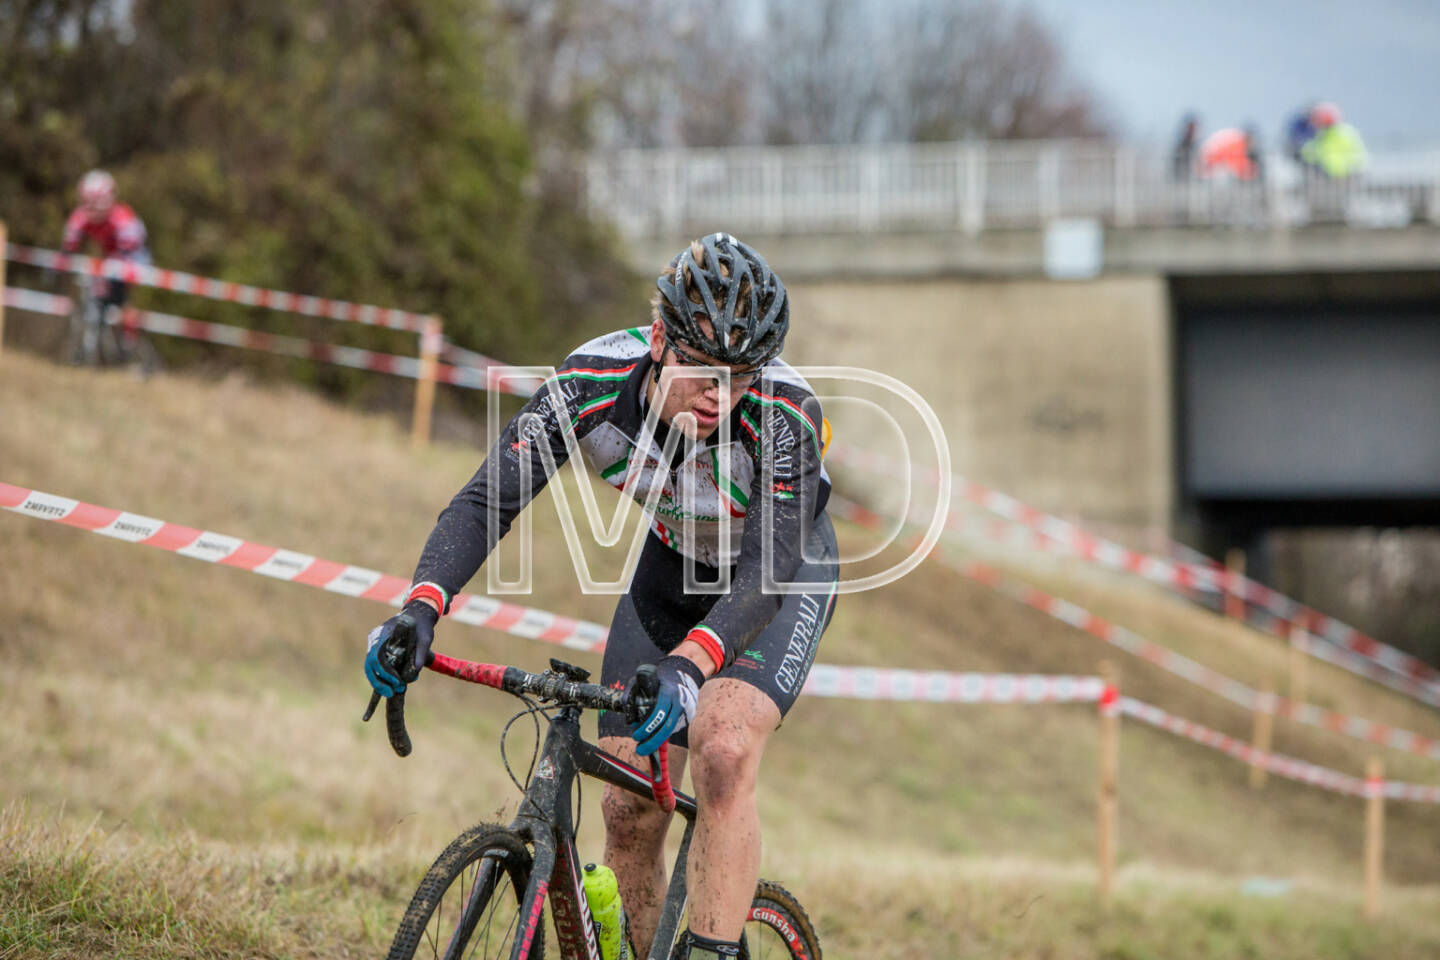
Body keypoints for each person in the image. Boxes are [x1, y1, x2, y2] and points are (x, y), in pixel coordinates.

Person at [364, 233, 837, 960]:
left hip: (776, 579)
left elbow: (767, 572)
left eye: (739, 377)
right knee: (626, 806)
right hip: (673, 568)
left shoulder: (783, 414)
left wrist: (690, 668)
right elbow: (490, 499)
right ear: (658, 341)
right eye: (703, 371)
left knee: (723, 750)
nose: (720, 396)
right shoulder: (590, 381)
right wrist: (420, 605)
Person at [62, 170, 152, 311]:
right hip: (108, 256)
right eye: (88, 204)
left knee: (119, 296)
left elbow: (129, 255)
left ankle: (126, 323)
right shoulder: (80, 217)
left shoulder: (124, 220)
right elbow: (69, 247)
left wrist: (108, 278)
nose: (92, 211)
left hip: (134, 257)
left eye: (95, 204)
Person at [1301, 101, 1367, 179]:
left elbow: (1357, 160)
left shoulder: (1342, 134)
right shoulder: (1323, 134)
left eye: (1317, 119)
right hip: (1331, 175)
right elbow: (1311, 151)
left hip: (1343, 176)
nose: (1315, 123)